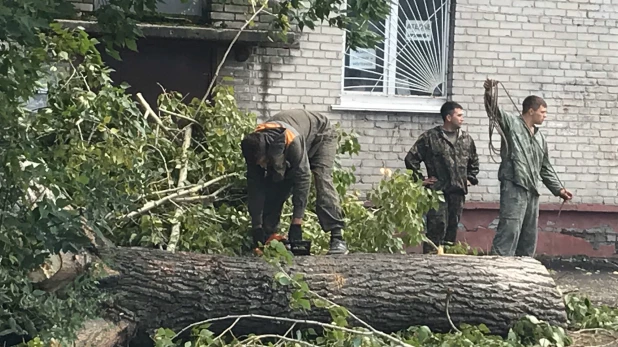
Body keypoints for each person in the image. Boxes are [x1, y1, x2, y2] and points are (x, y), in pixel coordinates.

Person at [483, 79, 573, 256]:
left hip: (532, 191)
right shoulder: (512, 124)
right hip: (514, 186)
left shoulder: (540, 138)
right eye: (542, 112)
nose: (545, 116)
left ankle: (525, 270)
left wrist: (559, 189)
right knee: (510, 229)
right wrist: (489, 92)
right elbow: (494, 111)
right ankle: (498, 269)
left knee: (529, 235)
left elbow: (545, 167)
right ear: (531, 111)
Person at [240, 109, 348, 255]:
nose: (261, 166)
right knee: (277, 181)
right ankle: (270, 235)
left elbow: (303, 178)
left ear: (269, 151)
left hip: (321, 135)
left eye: (263, 161)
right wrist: (257, 226)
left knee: (322, 178)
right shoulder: (253, 146)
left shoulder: (291, 141)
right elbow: (255, 187)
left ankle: (337, 237)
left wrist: (297, 223)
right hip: (296, 138)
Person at [404, 101, 480, 254]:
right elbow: (411, 159)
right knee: (436, 229)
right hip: (437, 193)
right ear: (448, 117)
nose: (462, 119)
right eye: (459, 115)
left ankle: (448, 264)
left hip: (457, 193)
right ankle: (431, 262)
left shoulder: (466, 139)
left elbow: (474, 162)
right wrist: (420, 180)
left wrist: (470, 178)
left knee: (452, 229)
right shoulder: (430, 138)